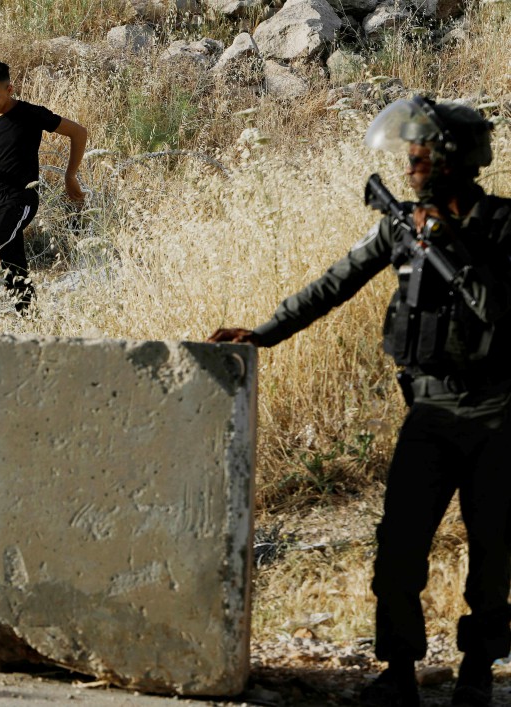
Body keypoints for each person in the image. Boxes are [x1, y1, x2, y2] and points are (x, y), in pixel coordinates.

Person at [208, 96, 510, 707]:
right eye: (410, 150)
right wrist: (262, 332)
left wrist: (446, 248)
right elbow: (333, 284)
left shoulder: (502, 225)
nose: (411, 162)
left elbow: (498, 310)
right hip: (428, 413)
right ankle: (398, 672)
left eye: (421, 151)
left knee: (491, 554)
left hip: (496, 415)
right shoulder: (401, 226)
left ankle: (477, 671)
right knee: (398, 546)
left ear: (452, 157)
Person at [0, 60, 87, 322]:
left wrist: (70, 176)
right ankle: (33, 324)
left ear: (10, 89)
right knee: (14, 268)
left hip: (21, 200)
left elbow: (78, 133)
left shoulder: (31, 114)